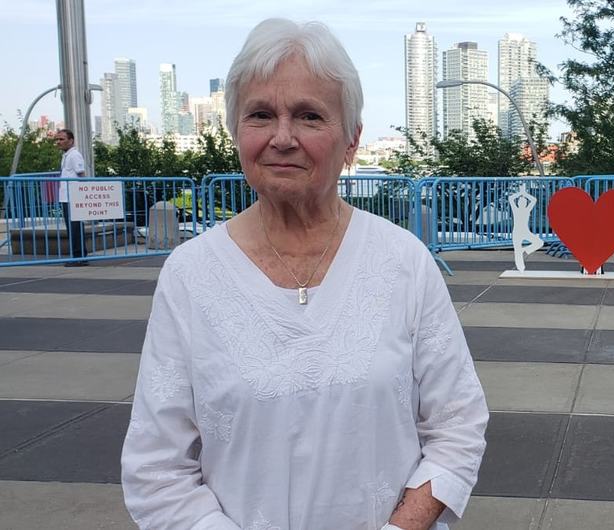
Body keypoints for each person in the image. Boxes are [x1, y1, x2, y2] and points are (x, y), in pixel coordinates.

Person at [121, 19, 488, 530]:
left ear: (352, 138)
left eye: (310, 116)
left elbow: (458, 425)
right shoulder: (191, 275)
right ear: (235, 130)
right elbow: (156, 467)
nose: (283, 138)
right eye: (260, 115)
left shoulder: (402, 260)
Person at [55, 128, 88, 266]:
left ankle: (78, 257)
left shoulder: (74, 155)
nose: (59, 142)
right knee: (72, 227)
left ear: (71, 140)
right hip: (66, 197)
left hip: (72, 197)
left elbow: (81, 174)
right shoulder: (66, 155)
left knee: (75, 228)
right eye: (58, 139)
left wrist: (81, 194)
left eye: (62, 139)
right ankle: (79, 255)